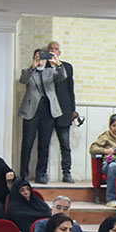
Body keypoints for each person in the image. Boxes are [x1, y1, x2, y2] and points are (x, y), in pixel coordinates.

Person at [18, 47, 68, 184]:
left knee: (44, 144)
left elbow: (63, 76)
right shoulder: (28, 71)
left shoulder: (51, 72)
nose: (40, 60)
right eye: (38, 57)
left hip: (48, 111)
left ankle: (41, 174)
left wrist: (58, 64)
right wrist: (33, 66)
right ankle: (24, 174)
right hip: (31, 111)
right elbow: (23, 80)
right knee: (27, 143)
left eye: (42, 57)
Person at [45, 40, 77, 182]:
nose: (53, 50)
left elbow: (71, 88)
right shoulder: (43, 66)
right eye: (50, 48)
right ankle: (42, 173)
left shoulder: (67, 67)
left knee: (65, 144)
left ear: (59, 52)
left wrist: (73, 109)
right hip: (47, 110)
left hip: (64, 110)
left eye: (55, 48)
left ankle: (67, 172)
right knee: (44, 144)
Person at [89, 114, 116, 207]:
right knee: (114, 166)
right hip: (108, 164)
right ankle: (111, 199)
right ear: (110, 126)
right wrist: (106, 151)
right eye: (114, 125)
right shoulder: (105, 136)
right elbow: (93, 148)